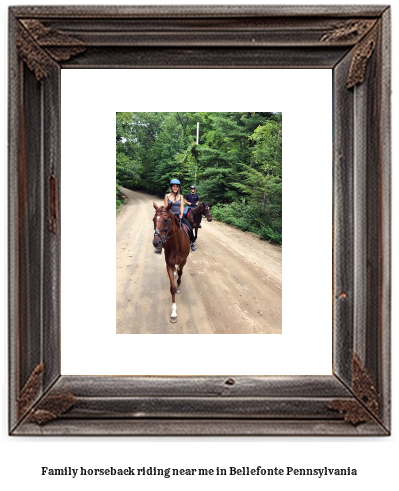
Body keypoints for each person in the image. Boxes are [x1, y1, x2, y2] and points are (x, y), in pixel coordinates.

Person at [154, 179, 197, 253]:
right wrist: (169, 216)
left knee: (189, 228)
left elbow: (181, 206)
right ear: (171, 187)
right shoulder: (166, 196)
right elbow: (166, 208)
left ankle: (191, 243)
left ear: (178, 188)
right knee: (161, 228)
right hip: (170, 217)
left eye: (176, 186)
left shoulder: (180, 196)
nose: (175, 188)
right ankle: (159, 246)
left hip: (179, 216)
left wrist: (181, 215)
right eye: (173, 186)